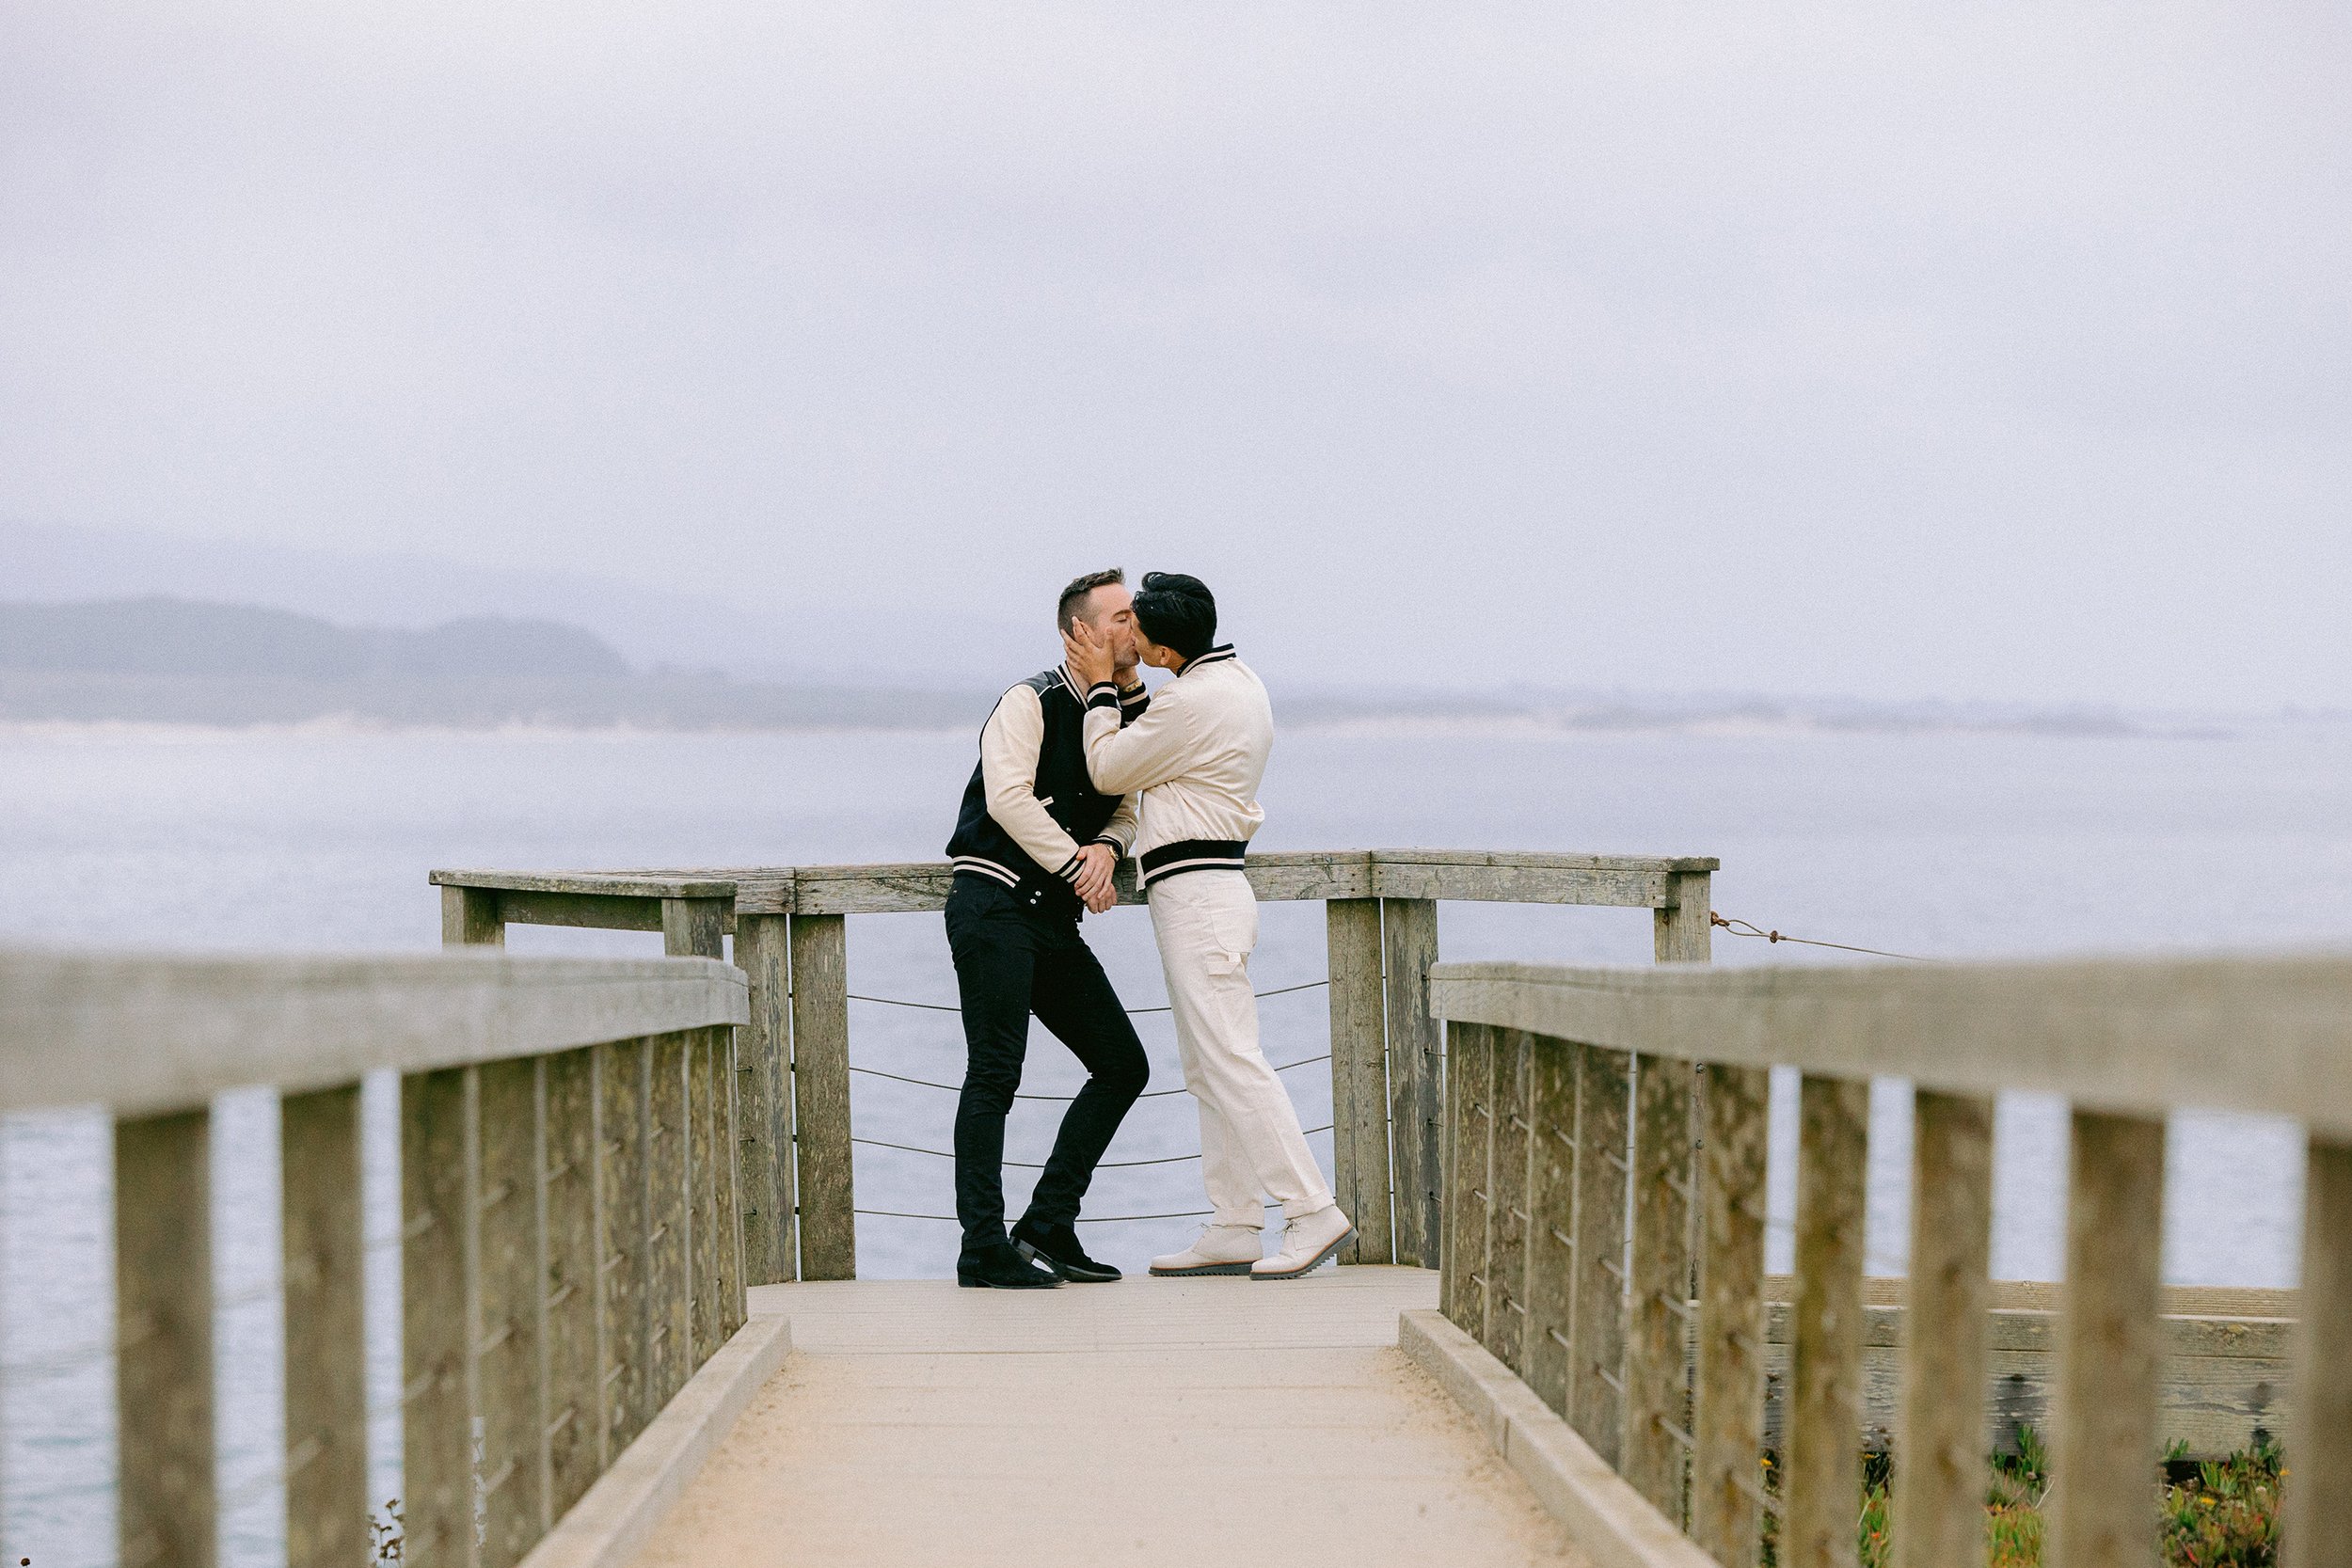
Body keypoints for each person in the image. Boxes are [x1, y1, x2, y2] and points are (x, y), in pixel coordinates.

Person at [1062, 572, 1354, 1280]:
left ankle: (1312, 1209)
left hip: (1198, 893)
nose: (1124, 635)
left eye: (1135, 628)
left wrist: (1102, 682)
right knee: (1209, 1063)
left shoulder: (1189, 704)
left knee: (1229, 1058)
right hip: (1209, 890)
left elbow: (1105, 767)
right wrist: (1131, 680)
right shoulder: (1236, 682)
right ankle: (1234, 1220)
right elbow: (1156, 745)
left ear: (1163, 650)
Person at [941, 568, 1153, 1289]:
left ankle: (1048, 1223)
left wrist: (1109, 849)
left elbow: (1130, 801)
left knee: (1125, 1064)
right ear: (1080, 632)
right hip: (995, 904)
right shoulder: (1027, 700)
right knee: (995, 1072)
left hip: (1052, 917)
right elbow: (1007, 799)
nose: (1137, 625)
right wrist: (1077, 864)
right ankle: (982, 1248)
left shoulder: (1124, 713)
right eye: (1122, 616)